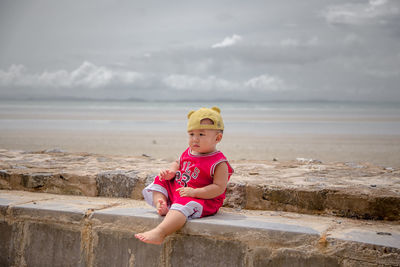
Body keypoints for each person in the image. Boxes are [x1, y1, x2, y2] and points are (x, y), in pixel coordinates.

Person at [135, 106, 234, 245]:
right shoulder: (189, 152)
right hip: (181, 189)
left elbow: (218, 187)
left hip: (202, 198)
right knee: (161, 180)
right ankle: (161, 204)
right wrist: (171, 172)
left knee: (183, 204)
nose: (195, 139)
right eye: (191, 134)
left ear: (218, 138)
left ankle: (160, 232)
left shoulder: (218, 162)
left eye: (201, 135)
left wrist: (195, 192)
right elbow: (178, 162)